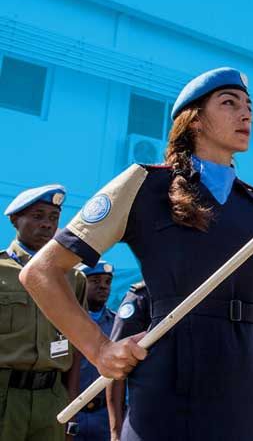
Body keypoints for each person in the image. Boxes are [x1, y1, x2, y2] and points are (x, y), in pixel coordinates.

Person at [19, 67, 253, 440]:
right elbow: (41, 271)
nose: (246, 114)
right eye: (229, 103)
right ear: (194, 120)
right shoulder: (145, 185)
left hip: (245, 384)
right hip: (170, 382)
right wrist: (98, 349)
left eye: (248, 106)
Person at [0, 185, 86, 441]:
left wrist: (71, 406)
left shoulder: (73, 278)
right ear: (15, 220)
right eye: (37, 216)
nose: (47, 224)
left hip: (52, 399)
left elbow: (77, 347)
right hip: (5, 396)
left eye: (53, 218)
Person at [74, 262, 115, 441]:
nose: (103, 286)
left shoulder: (118, 323)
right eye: (95, 281)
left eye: (107, 282)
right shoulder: (65, 322)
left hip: (105, 416)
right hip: (72, 412)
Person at [106, 281, 150, 441]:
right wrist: (116, 431)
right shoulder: (142, 297)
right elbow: (116, 366)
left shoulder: (213, 291)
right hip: (149, 416)